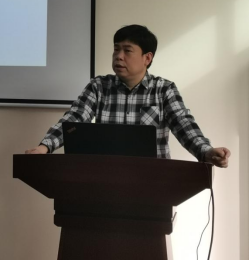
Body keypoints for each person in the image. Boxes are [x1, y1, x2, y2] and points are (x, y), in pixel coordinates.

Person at [25, 25, 231, 168]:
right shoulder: (99, 86)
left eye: (127, 50)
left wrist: (207, 151)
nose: (118, 56)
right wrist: (45, 147)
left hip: (154, 181)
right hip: (104, 179)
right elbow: (74, 119)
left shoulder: (164, 89)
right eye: (116, 49)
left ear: (147, 58)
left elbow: (184, 125)